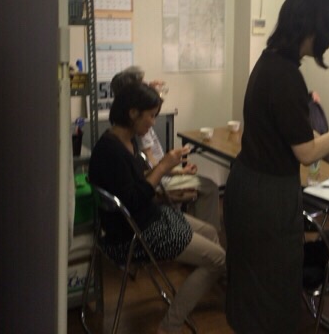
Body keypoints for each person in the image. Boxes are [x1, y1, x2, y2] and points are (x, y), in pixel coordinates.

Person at [223, 0, 329, 333]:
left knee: (252, 287)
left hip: (250, 188)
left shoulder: (272, 63)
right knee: (271, 292)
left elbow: (301, 133)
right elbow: (306, 151)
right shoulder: (284, 75)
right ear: (309, 27)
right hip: (266, 198)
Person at [88, 83, 226, 334]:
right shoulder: (109, 152)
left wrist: (171, 171)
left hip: (146, 219)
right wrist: (163, 166)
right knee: (218, 259)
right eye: (151, 115)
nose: (153, 122)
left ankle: (201, 283)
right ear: (133, 113)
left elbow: (137, 184)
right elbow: (134, 199)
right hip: (132, 235)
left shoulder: (126, 141)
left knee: (209, 232)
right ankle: (169, 326)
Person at [111, 66, 221, 231]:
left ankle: (198, 229)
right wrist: (172, 169)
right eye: (143, 86)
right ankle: (203, 230)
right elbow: (150, 173)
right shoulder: (135, 132)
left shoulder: (126, 132)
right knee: (210, 187)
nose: (153, 121)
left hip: (152, 191)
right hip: (155, 194)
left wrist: (173, 167)